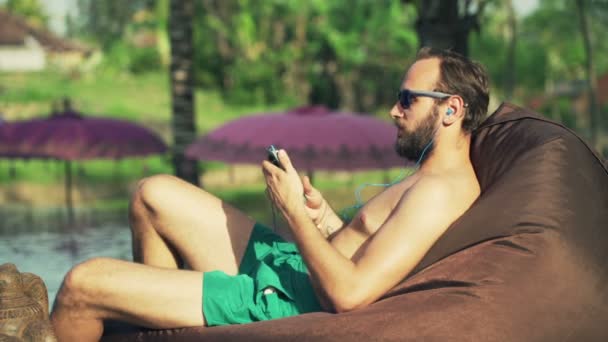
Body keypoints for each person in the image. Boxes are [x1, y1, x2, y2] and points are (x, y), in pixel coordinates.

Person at [50, 47, 489, 342]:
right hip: (294, 266)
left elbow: (349, 295)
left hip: (286, 300)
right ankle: (162, 318)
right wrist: (324, 219)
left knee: (80, 286)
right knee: (153, 193)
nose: (394, 110)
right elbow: (367, 249)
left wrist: (293, 213)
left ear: (451, 108)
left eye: (408, 100)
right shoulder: (431, 175)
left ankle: (149, 303)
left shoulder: (439, 192)